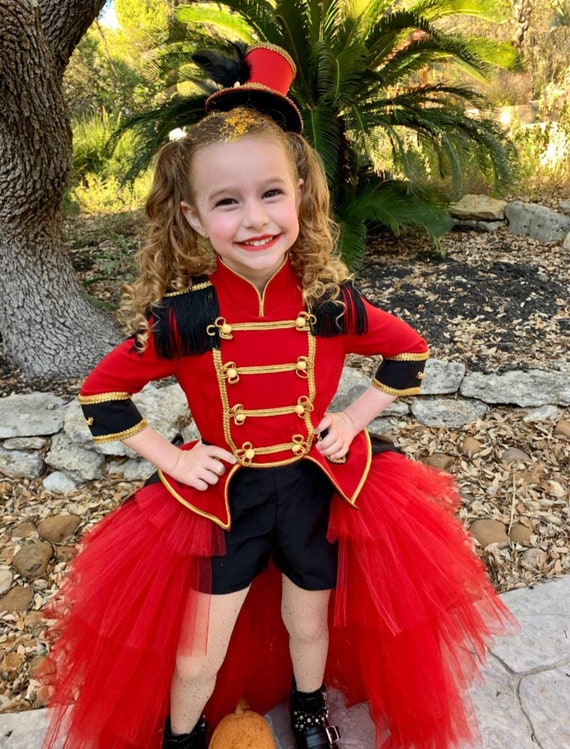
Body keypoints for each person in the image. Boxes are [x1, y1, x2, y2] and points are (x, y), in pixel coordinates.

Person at [41, 44, 515, 749]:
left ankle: (307, 709)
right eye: (227, 202)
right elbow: (102, 393)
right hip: (221, 501)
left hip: (311, 491)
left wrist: (354, 416)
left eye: (271, 193)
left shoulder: (329, 301)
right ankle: (181, 733)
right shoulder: (185, 317)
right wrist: (170, 459)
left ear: (301, 194)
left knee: (308, 622)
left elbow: (409, 351)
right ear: (196, 218)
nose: (255, 218)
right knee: (198, 649)